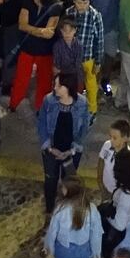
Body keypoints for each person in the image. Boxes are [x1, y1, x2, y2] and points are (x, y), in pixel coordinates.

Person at [38, 75, 91, 212]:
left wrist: (72, 150)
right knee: (50, 180)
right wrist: (49, 148)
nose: (54, 88)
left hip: (71, 152)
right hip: (51, 151)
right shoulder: (49, 101)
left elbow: (84, 128)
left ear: (67, 88)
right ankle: (50, 208)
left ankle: (65, 209)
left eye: (58, 85)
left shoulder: (82, 104)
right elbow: (42, 124)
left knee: (69, 181)